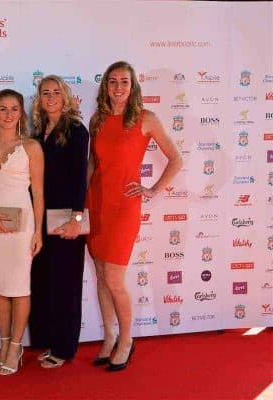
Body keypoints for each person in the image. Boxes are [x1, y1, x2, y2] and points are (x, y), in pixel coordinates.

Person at [87, 61, 181, 371]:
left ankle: (127, 340)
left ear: (133, 86)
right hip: (96, 204)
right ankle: (109, 336)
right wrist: (81, 203)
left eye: (124, 82)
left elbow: (176, 159)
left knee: (115, 279)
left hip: (124, 208)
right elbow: (93, 165)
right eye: (112, 81)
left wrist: (152, 189)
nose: (117, 87)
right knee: (101, 276)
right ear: (106, 87)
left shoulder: (146, 119)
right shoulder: (97, 120)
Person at [0, 89, 44, 375]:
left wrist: (38, 231)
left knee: (18, 287)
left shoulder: (31, 147)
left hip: (22, 226)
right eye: (2, 109)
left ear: (21, 113)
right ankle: (4, 343)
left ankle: (16, 345)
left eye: (14, 109)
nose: (8, 115)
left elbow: (39, 193)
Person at [28, 75, 89, 369]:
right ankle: (51, 340)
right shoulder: (39, 131)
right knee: (47, 282)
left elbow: (80, 179)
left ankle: (64, 348)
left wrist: (77, 219)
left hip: (67, 219)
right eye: (45, 93)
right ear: (39, 99)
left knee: (66, 284)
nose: (50, 97)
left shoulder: (76, 130)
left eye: (56, 92)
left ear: (65, 96)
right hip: (42, 217)